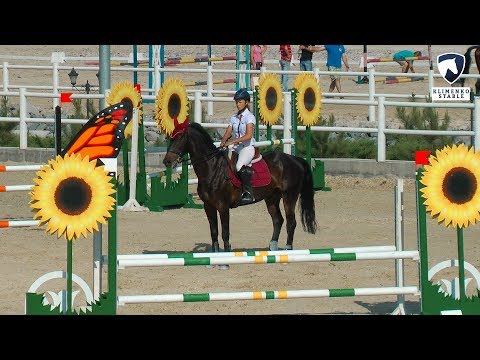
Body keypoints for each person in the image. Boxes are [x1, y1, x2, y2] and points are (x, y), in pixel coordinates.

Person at [220, 88, 256, 205]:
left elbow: (248, 135)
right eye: (236, 102)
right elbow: (228, 131)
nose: (238, 104)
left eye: (240, 102)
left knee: (239, 165)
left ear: (246, 102)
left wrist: (232, 142)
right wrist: (223, 142)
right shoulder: (234, 117)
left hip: (247, 147)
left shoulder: (249, 117)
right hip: (237, 148)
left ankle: (248, 193)